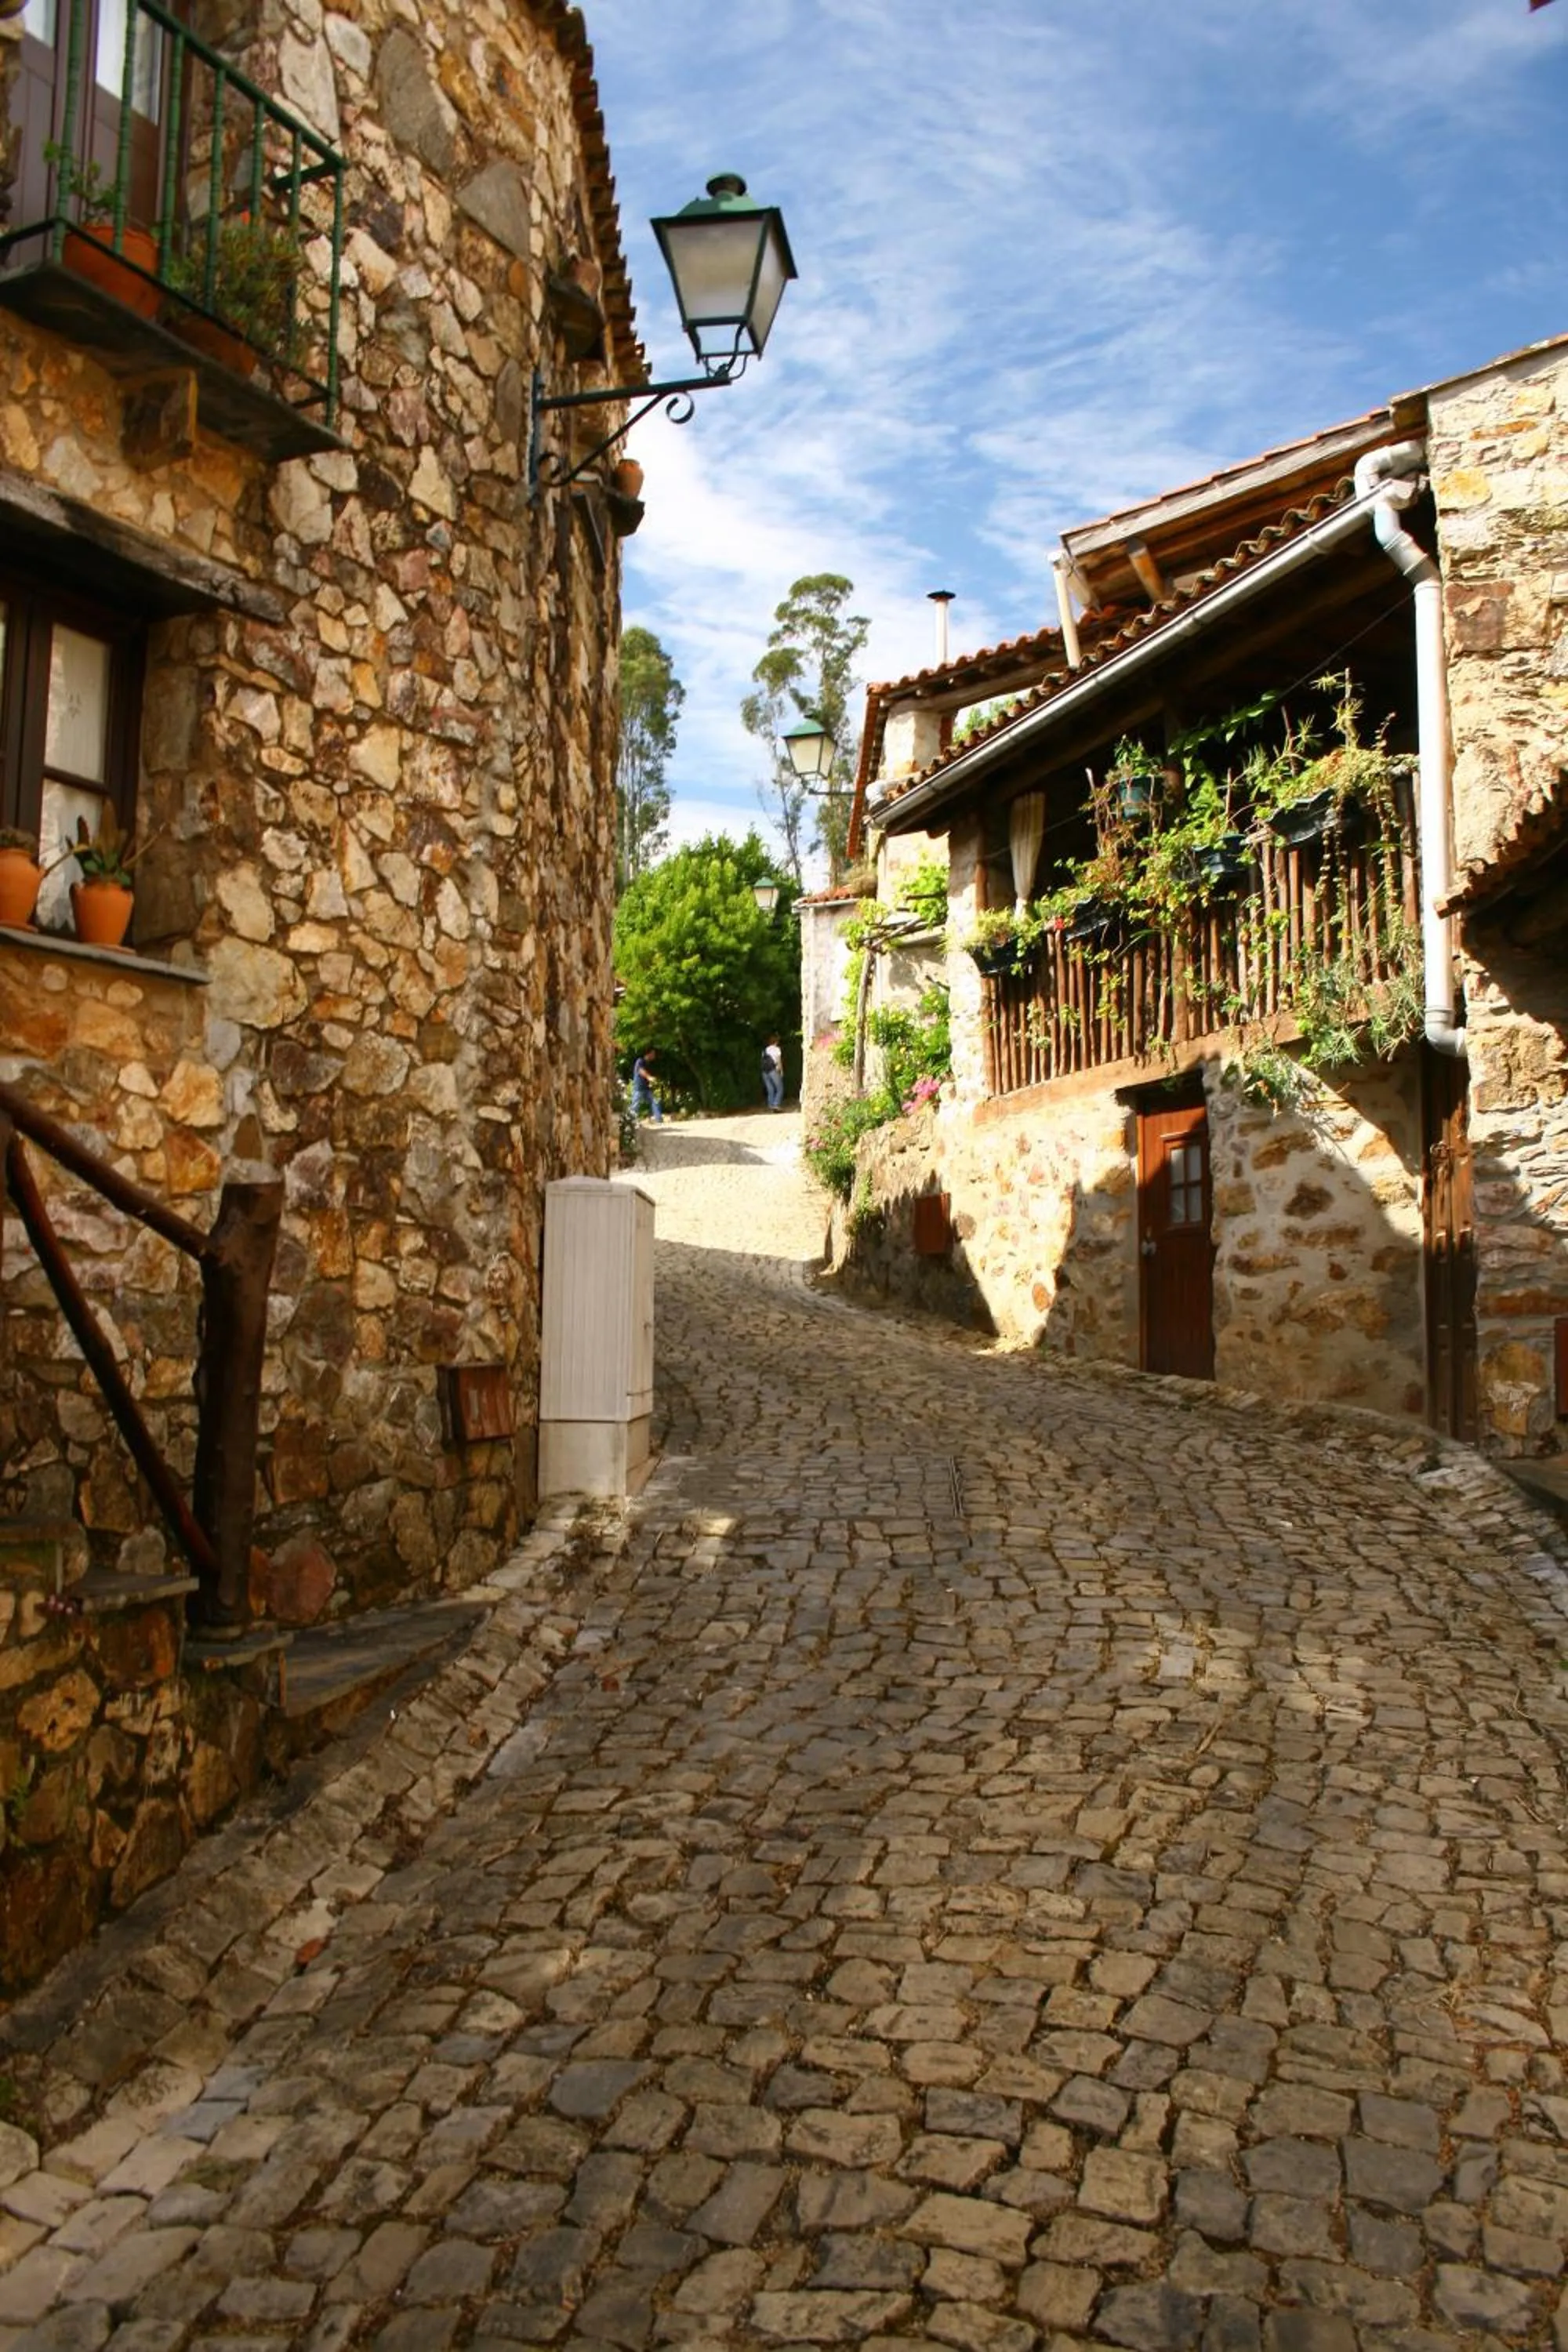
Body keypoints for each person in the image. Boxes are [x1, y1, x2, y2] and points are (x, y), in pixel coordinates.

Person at [630, 1047, 662, 1122]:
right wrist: (649, 1077)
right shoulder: (640, 1061)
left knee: (655, 1101)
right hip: (639, 1087)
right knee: (635, 1105)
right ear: (649, 1054)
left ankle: (659, 1119)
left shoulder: (648, 1063)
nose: (654, 1055)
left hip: (647, 1088)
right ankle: (631, 1121)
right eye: (653, 1054)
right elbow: (641, 1071)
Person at [761, 1035, 784, 1111]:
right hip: (773, 1070)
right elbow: (778, 1061)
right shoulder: (777, 1049)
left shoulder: (765, 1050)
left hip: (765, 1071)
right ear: (776, 1042)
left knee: (770, 1089)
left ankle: (771, 1105)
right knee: (780, 1088)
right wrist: (781, 1071)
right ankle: (776, 1105)